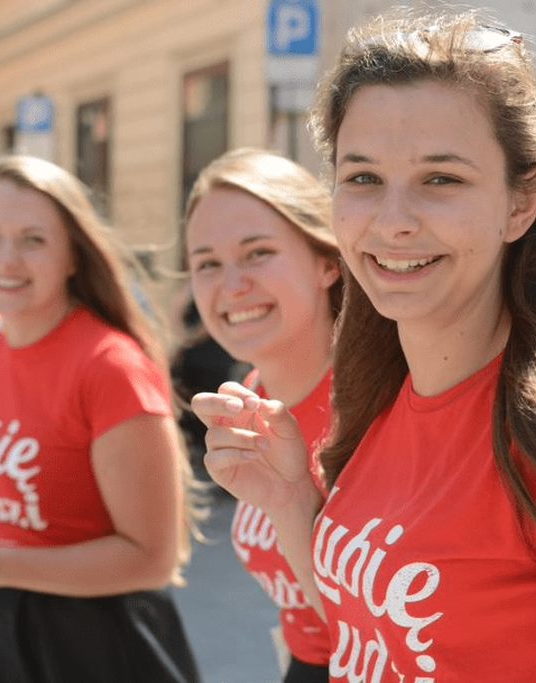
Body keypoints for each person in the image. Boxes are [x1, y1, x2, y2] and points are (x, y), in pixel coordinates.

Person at [191, 11, 536, 683]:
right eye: (363, 178)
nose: (393, 221)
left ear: (522, 201)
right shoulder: (379, 397)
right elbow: (368, 634)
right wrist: (290, 501)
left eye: (441, 179)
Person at [0, 155, 202, 683]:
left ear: (71, 256)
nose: (6, 259)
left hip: (87, 646)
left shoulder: (110, 366)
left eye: (33, 240)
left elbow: (152, 559)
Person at [181, 148, 340, 682]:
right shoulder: (254, 394)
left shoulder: (378, 401)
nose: (231, 286)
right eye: (207, 264)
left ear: (327, 262)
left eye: (257, 253)